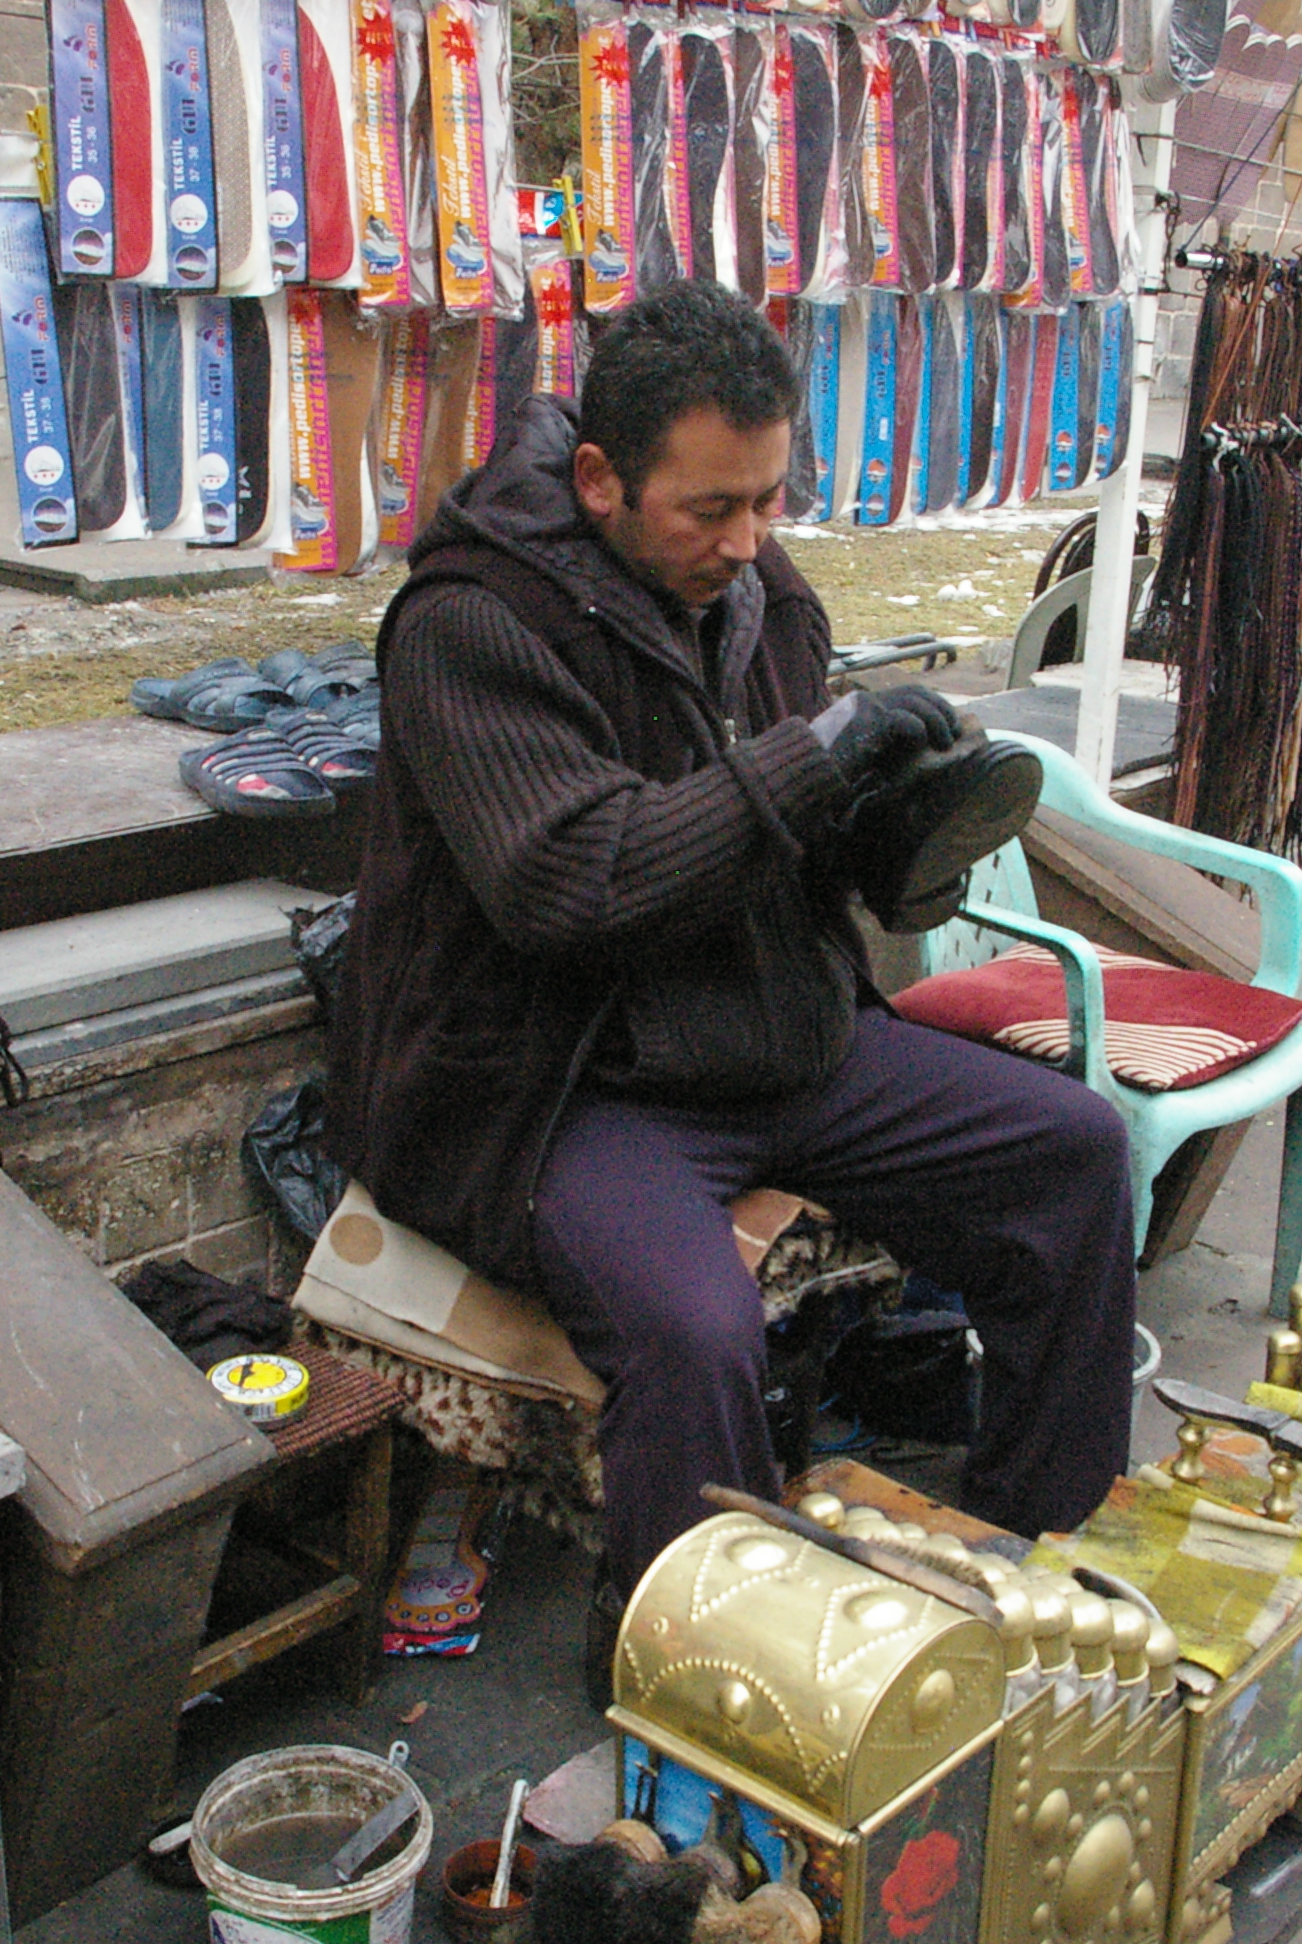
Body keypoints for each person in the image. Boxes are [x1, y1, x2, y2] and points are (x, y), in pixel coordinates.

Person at [324, 282, 1137, 1669]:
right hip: (564, 1085)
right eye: (711, 509)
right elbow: (568, 884)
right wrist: (812, 755)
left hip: (773, 1039)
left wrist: (897, 814)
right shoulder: (468, 627)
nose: (750, 541)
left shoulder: (758, 588)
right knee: (697, 1332)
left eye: (769, 500)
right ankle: (691, 1680)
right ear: (600, 480)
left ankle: (1042, 1557)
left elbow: (795, 828)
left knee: (1071, 1149)